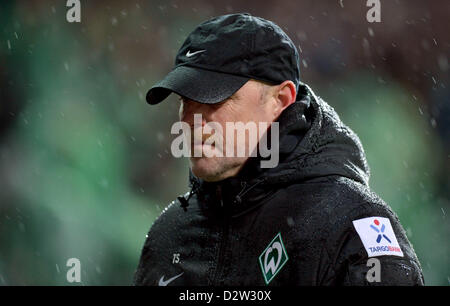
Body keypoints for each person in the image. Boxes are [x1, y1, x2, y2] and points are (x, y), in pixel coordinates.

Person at [133, 13, 424, 286]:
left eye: (214, 100)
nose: (192, 121)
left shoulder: (352, 227)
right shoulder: (169, 235)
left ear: (280, 99)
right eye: (186, 100)